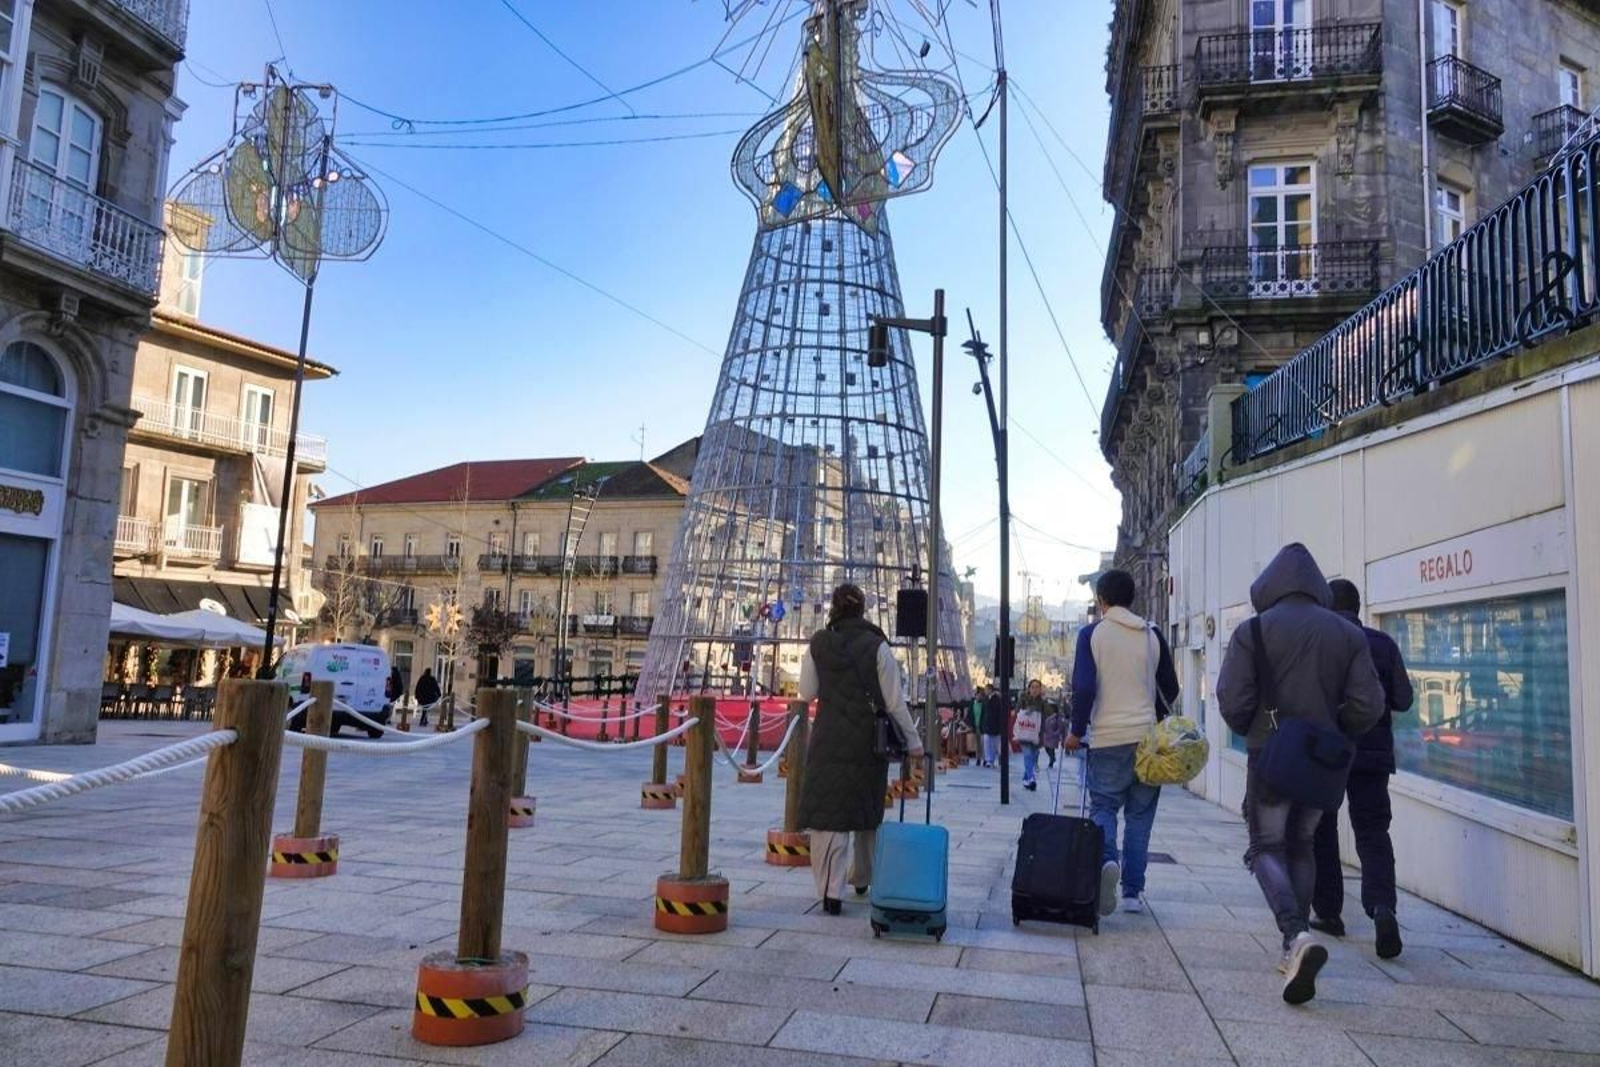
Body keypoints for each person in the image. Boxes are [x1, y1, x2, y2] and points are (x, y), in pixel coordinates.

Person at [1217, 544, 1386, 1005]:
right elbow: (1369, 704)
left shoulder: (1253, 631)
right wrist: (1336, 728)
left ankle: (1295, 935)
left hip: (1269, 753)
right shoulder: (1348, 634)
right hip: (1321, 759)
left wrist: (1257, 726)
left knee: (1264, 844)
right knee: (1302, 844)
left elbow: (1232, 700)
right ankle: (1297, 938)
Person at [797, 583, 923, 916]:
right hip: (868, 742)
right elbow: (895, 702)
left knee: (830, 818)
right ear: (863, 609)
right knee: (866, 813)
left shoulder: (819, 644)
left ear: (833, 608)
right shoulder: (877, 646)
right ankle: (862, 877)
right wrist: (914, 742)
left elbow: (806, 692)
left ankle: (830, 891)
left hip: (827, 740)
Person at [1310, 578, 1414, 960]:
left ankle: (1329, 912)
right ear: (1359, 605)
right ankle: (1382, 908)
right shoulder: (1383, 643)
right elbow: (1402, 699)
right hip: (1373, 755)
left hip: (1329, 754)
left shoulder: (1319, 643)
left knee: (1323, 830)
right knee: (1373, 833)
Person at [1066, 569, 1179, 917]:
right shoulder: (1152, 635)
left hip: (1107, 739)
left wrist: (1075, 729)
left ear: (1101, 600)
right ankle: (1132, 893)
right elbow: (1170, 689)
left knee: (1103, 809)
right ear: (1133, 599)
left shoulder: (1092, 635)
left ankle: (1105, 863)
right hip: (1147, 742)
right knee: (1140, 817)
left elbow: (1084, 688)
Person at [1015, 679, 1046, 792]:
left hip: (1036, 735)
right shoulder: (1023, 699)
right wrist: (1025, 711)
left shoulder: (1042, 702)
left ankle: (1025, 779)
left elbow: (1045, 718)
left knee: (1033, 757)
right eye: (1033, 687)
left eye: (1037, 687)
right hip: (1024, 732)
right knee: (1027, 755)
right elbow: (1016, 712)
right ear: (1029, 688)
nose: (1035, 689)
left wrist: (1042, 735)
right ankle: (1032, 778)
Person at [980, 683, 1005, 768]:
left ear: (990, 690)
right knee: (987, 742)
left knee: (994, 744)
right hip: (987, 724)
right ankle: (988, 760)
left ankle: (993, 759)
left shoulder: (997, 699)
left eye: (986, 689)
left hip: (995, 725)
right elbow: (983, 712)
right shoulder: (985, 699)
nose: (985, 691)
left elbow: (1000, 713)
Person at [1041, 697, 1067, 770]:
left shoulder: (1057, 717)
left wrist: (1056, 733)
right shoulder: (1047, 715)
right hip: (1047, 735)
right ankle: (1052, 758)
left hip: (1053, 736)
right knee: (1046, 748)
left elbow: (1060, 727)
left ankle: (1051, 762)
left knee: (1051, 749)